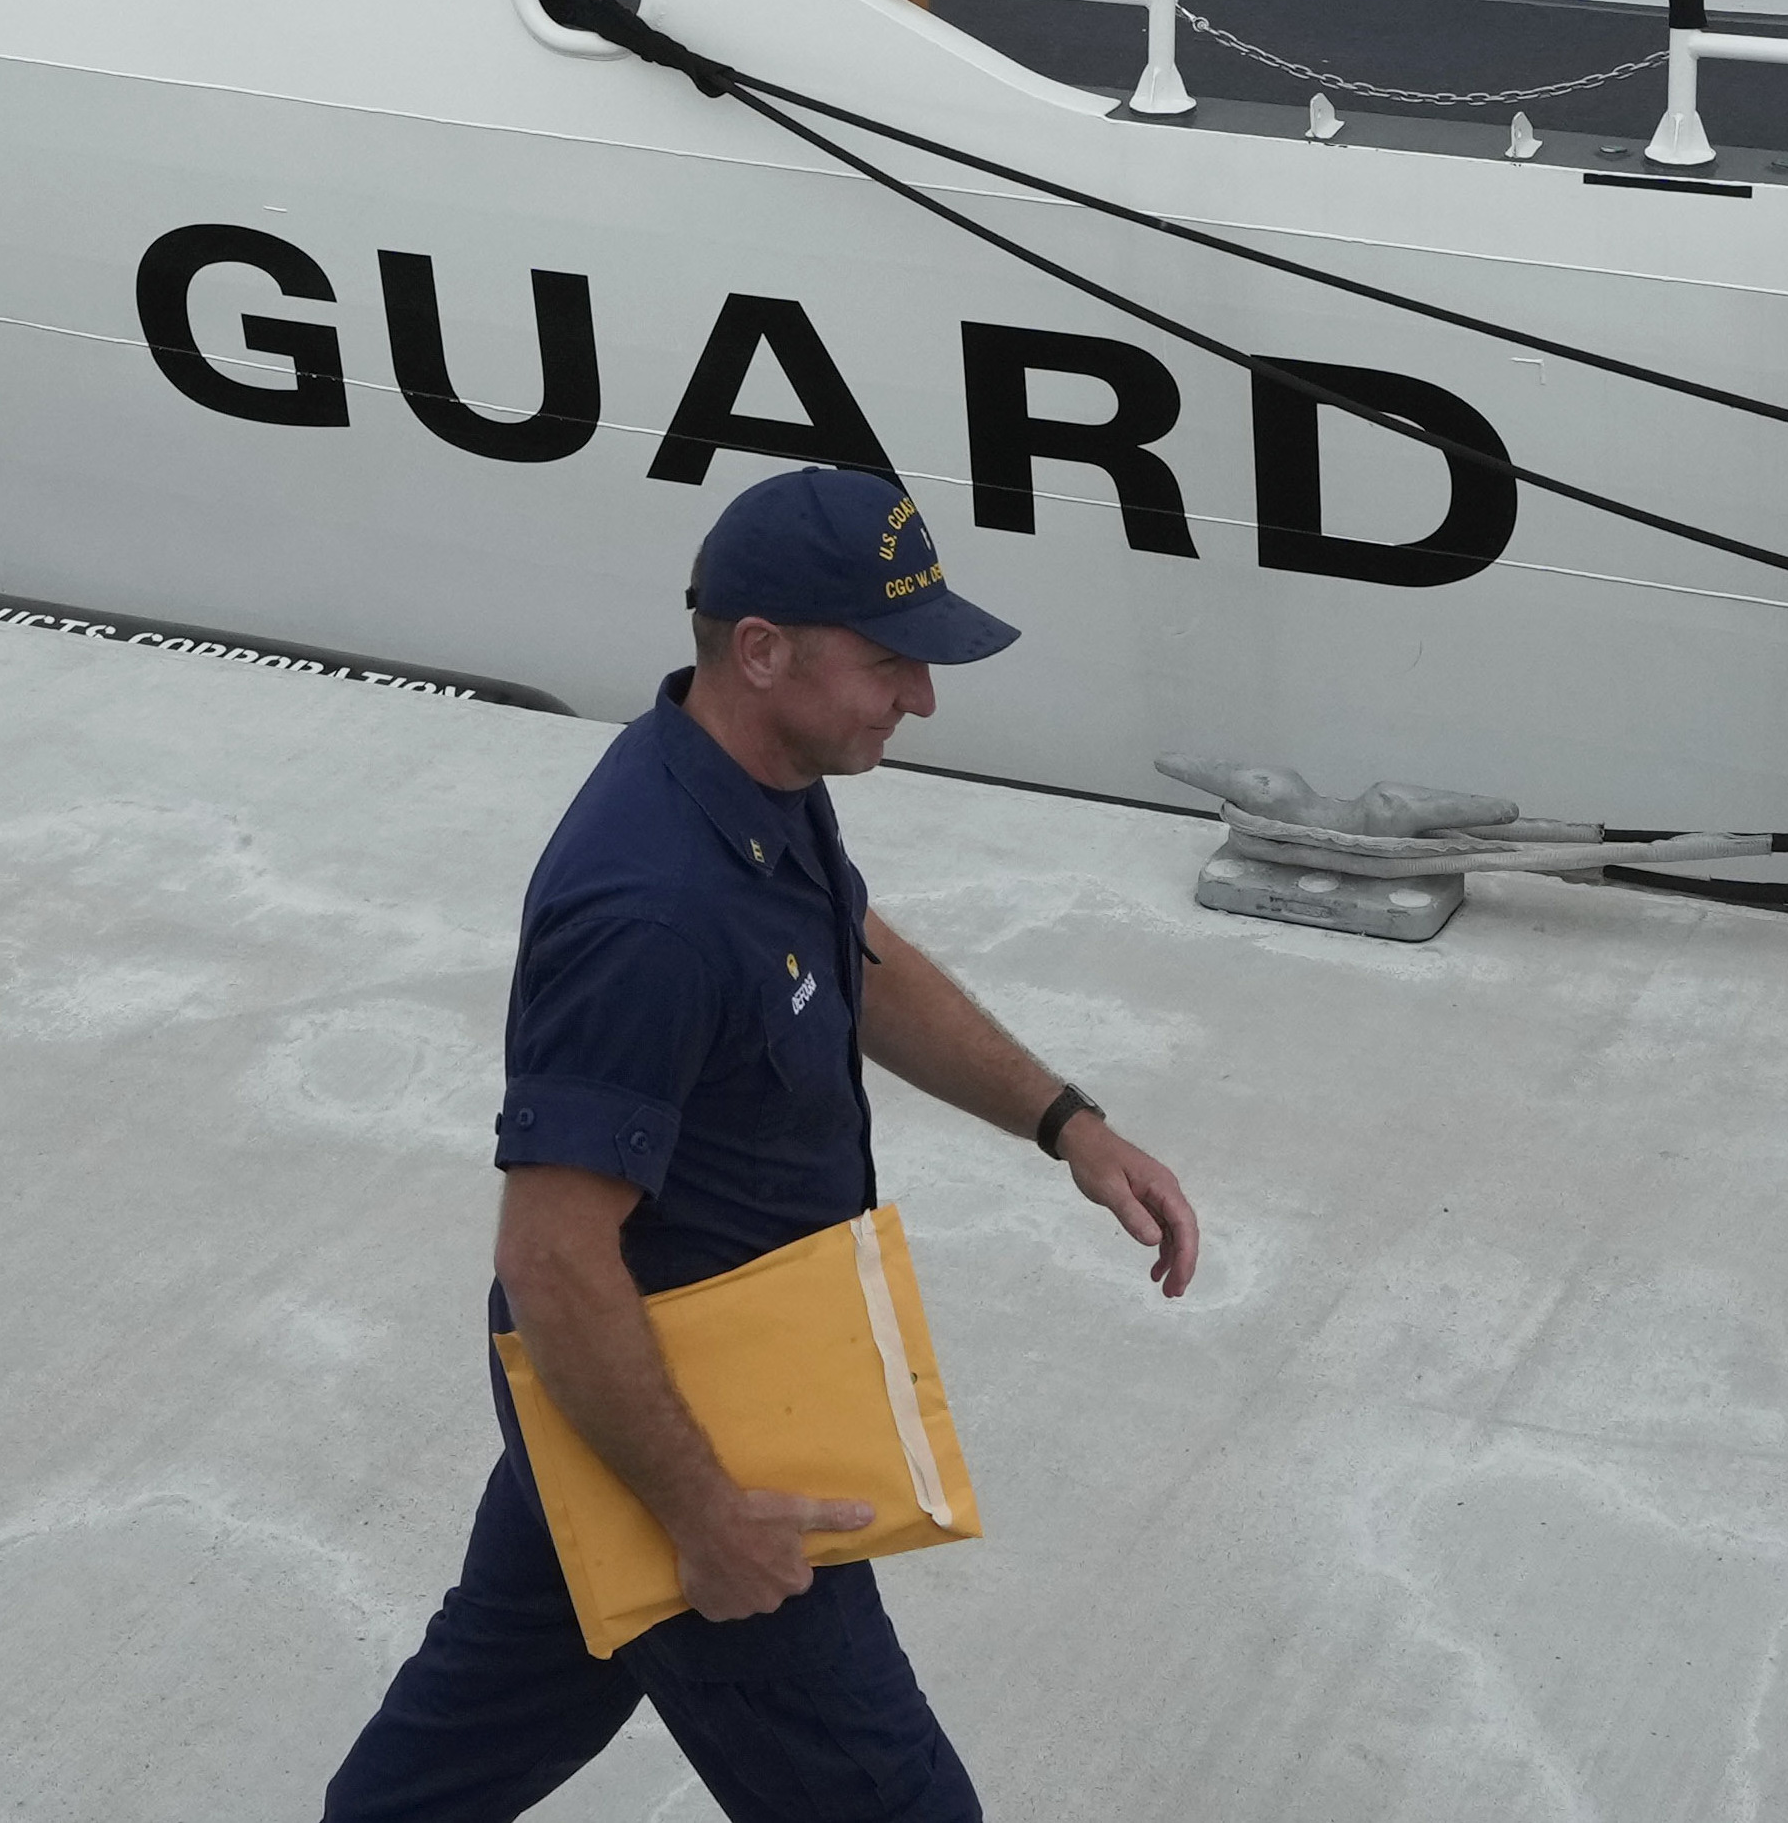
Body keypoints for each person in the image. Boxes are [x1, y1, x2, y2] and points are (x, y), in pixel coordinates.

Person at [323, 467, 1202, 1823]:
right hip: (698, 1420)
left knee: (483, 1717)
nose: (915, 695)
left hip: (638, 1382)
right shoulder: (649, 912)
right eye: (886, 660)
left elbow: (840, 947)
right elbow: (553, 1255)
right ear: (759, 649)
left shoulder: (758, 770)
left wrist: (1062, 1121)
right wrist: (701, 1511)